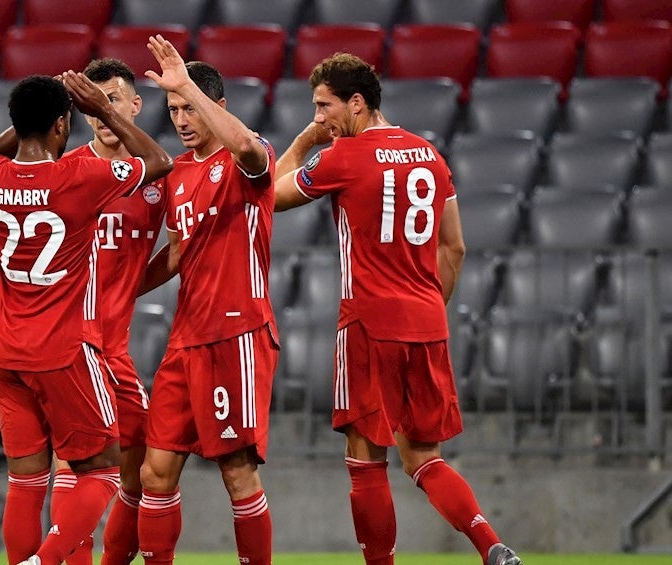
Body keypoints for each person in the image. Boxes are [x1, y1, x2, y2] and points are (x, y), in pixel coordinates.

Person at [271, 53, 522, 565]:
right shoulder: (430, 155)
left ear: (356, 103)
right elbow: (455, 248)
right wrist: (427, 307)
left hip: (367, 325)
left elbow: (268, 194)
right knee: (424, 457)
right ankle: (490, 545)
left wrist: (302, 143)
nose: (319, 117)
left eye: (323, 106)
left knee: (365, 462)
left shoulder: (344, 156)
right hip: (426, 324)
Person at [0, 73, 172, 565]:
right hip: (62, 350)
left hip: (3, 352)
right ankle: (47, 560)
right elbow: (159, 162)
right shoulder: (77, 179)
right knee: (103, 470)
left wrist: (32, 113)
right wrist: (104, 111)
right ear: (65, 124)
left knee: (24, 480)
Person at [136, 35, 278, 565]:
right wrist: (120, 291)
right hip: (186, 338)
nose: (180, 118)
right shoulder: (178, 173)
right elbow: (176, 253)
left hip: (236, 333)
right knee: (156, 471)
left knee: (236, 471)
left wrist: (186, 84)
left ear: (216, 107)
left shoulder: (249, 157)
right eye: (172, 108)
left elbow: (245, 149)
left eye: (189, 106)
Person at [49, 58, 169, 565]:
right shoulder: (69, 171)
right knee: (73, 462)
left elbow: (178, 254)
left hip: (115, 345)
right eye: (91, 105)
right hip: (71, 341)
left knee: (138, 469)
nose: (101, 112)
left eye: (112, 100)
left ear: (135, 105)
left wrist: (123, 289)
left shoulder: (160, 177)